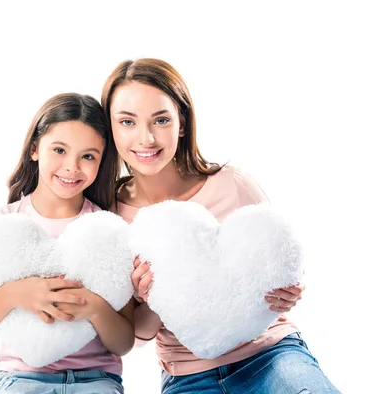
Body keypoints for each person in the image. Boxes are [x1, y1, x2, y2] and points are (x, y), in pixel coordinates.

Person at [102, 58, 339, 393]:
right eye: (127, 121)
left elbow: (279, 260)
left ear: (181, 124)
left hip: (270, 355)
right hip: (187, 375)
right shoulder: (110, 215)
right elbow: (137, 336)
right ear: (110, 128)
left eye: (161, 120)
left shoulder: (232, 184)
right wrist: (151, 297)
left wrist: (288, 291)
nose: (147, 137)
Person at [0, 93, 133, 393]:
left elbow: (124, 342)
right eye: (60, 150)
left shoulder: (106, 230)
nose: (72, 167)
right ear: (35, 149)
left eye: (88, 156)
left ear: (102, 161)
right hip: (22, 378)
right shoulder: (5, 227)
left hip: (96, 379)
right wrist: (13, 294)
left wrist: (94, 309)